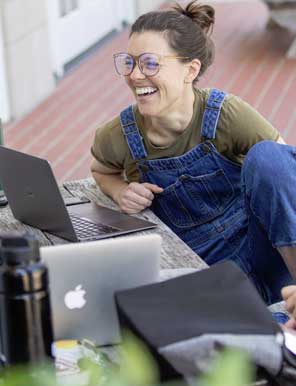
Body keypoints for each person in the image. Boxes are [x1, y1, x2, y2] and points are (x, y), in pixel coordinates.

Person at [90, 1, 295, 305]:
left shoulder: (226, 114)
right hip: (207, 276)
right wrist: (120, 191)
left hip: (271, 259)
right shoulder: (119, 135)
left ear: (190, 69)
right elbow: (101, 169)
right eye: (129, 62)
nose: (134, 76)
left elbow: (283, 171)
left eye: (149, 63)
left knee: (268, 156)